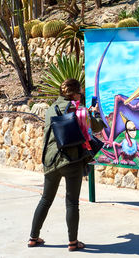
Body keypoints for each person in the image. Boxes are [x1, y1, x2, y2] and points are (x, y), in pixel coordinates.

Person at [28, 79, 106, 251]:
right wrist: (96, 113)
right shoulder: (80, 110)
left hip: (51, 159)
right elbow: (98, 127)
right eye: (80, 92)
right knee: (72, 202)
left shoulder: (50, 109)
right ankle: (72, 242)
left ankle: (33, 237)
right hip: (72, 160)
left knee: (46, 199)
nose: (82, 95)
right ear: (75, 93)